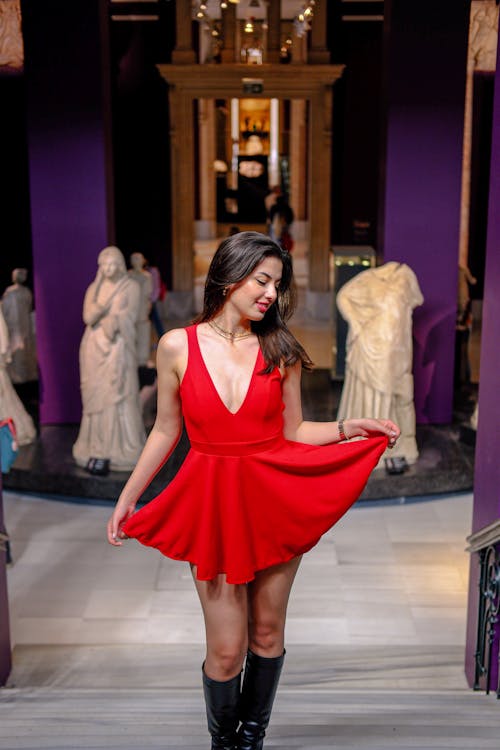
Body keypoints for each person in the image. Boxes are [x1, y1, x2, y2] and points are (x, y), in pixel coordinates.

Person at [107, 232, 399, 750]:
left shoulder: (279, 347)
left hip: (273, 503)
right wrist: (131, 495)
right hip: (213, 507)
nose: (270, 294)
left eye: (277, 285)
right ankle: (225, 743)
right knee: (226, 650)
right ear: (228, 274)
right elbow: (165, 430)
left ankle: (250, 741)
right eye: (261, 280)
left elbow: (295, 432)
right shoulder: (178, 344)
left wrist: (349, 427)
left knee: (267, 634)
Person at [73, 246, 146, 471]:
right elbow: (87, 316)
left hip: (117, 346)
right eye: (104, 264)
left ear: (121, 264)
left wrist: (113, 320)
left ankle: (121, 446)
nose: (109, 268)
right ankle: (96, 445)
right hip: (94, 347)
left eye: (113, 263)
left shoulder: (131, 286)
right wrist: (101, 312)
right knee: (96, 395)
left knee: (118, 392)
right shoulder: (93, 289)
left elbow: (132, 315)